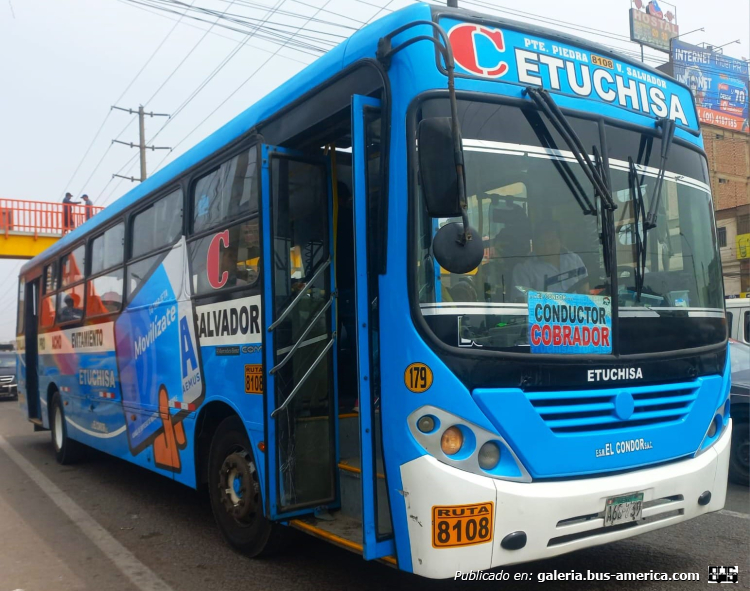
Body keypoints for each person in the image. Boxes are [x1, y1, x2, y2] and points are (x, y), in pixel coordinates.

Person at [511, 219, 588, 299]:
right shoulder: (523, 268)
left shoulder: (574, 259)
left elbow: (584, 288)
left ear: (561, 242)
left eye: (552, 242)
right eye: (542, 243)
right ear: (535, 244)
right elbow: (521, 301)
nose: (547, 248)